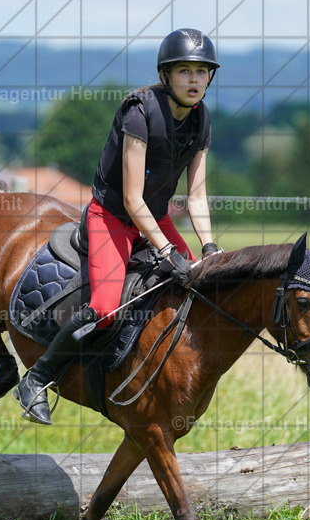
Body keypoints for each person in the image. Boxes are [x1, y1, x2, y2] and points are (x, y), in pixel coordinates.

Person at [14, 27, 223, 425]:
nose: (194, 79)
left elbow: (196, 195)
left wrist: (209, 248)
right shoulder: (139, 111)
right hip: (111, 217)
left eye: (201, 71)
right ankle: (36, 379)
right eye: (184, 71)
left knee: (195, 286)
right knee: (106, 308)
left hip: (155, 217)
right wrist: (166, 250)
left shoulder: (202, 119)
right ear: (165, 75)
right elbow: (131, 199)